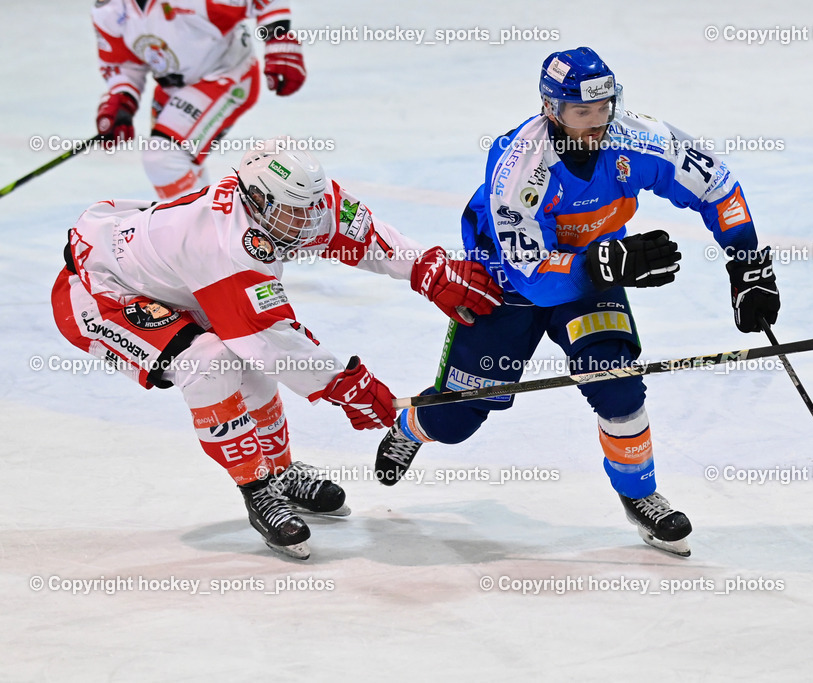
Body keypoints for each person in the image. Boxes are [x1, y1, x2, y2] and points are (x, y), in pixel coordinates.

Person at [373, 47, 780, 558]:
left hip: (591, 276)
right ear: (551, 108)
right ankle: (411, 424)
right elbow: (531, 276)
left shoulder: (638, 139)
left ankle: (640, 494)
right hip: (507, 286)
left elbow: (716, 185)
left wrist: (747, 264)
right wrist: (604, 266)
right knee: (456, 422)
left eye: (604, 107)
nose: (597, 122)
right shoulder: (519, 162)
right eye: (582, 112)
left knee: (618, 385)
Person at [50, 138, 503, 559]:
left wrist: (426, 269)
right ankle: (257, 487)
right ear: (257, 202)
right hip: (104, 295)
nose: (309, 222)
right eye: (296, 212)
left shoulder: (295, 202)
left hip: (176, 281)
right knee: (211, 362)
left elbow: (359, 233)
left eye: (313, 207)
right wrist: (350, 387)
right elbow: (268, 341)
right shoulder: (225, 246)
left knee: (240, 353)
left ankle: (281, 471)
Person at [92, 0, 308, 198]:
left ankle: (197, 231)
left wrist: (278, 39)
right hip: (174, 87)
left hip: (227, 73)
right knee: (178, 162)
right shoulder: (110, 9)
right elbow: (124, 64)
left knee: (164, 157)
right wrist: (123, 98)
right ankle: (205, 227)